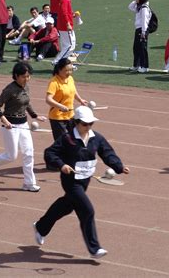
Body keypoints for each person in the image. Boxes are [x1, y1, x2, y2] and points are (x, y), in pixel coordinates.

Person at [33, 106, 130, 259]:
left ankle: (40, 227)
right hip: (71, 181)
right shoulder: (68, 138)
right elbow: (50, 153)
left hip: (85, 181)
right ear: (76, 123)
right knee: (87, 210)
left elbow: (107, 152)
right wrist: (61, 165)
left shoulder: (96, 138)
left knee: (66, 206)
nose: (88, 126)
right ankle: (94, 248)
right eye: (85, 124)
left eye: (91, 123)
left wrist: (119, 166)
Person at [0, 62, 47, 192]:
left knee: (29, 153)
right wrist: (5, 121)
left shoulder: (26, 87)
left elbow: (26, 103)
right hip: (10, 126)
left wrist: (35, 116)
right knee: (11, 156)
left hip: (23, 124)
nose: (27, 79)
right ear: (16, 76)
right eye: (24, 76)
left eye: (28, 76)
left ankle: (29, 183)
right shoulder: (9, 89)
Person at [46, 58, 88, 142]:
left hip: (70, 116)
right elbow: (48, 99)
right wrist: (60, 106)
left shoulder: (70, 79)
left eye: (70, 70)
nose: (69, 73)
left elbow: (73, 91)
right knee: (62, 142)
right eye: (66, 71)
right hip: (57, 118)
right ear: (59, 69)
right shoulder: (54, 82)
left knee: (74, 139)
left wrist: (80, 100)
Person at [53, 0, 78, 65]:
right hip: (65, 27)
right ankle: (58, 62)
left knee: (67, 46)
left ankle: (66, 64)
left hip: (64, 26)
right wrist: (68, 23)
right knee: (70, 46)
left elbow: (66, 12)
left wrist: (73, 15)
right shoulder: (65, 0)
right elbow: (64, 13)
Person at [128, 0, 152, 73]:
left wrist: (143, 32)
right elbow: (130, 7)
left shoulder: (144, 8)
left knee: (142, 48)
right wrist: (135, 1)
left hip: (142, 30)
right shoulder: (139, 7)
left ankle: (145, 66)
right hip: (138, 29)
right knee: (136, 48)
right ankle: (136, 65)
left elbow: (144, 21)